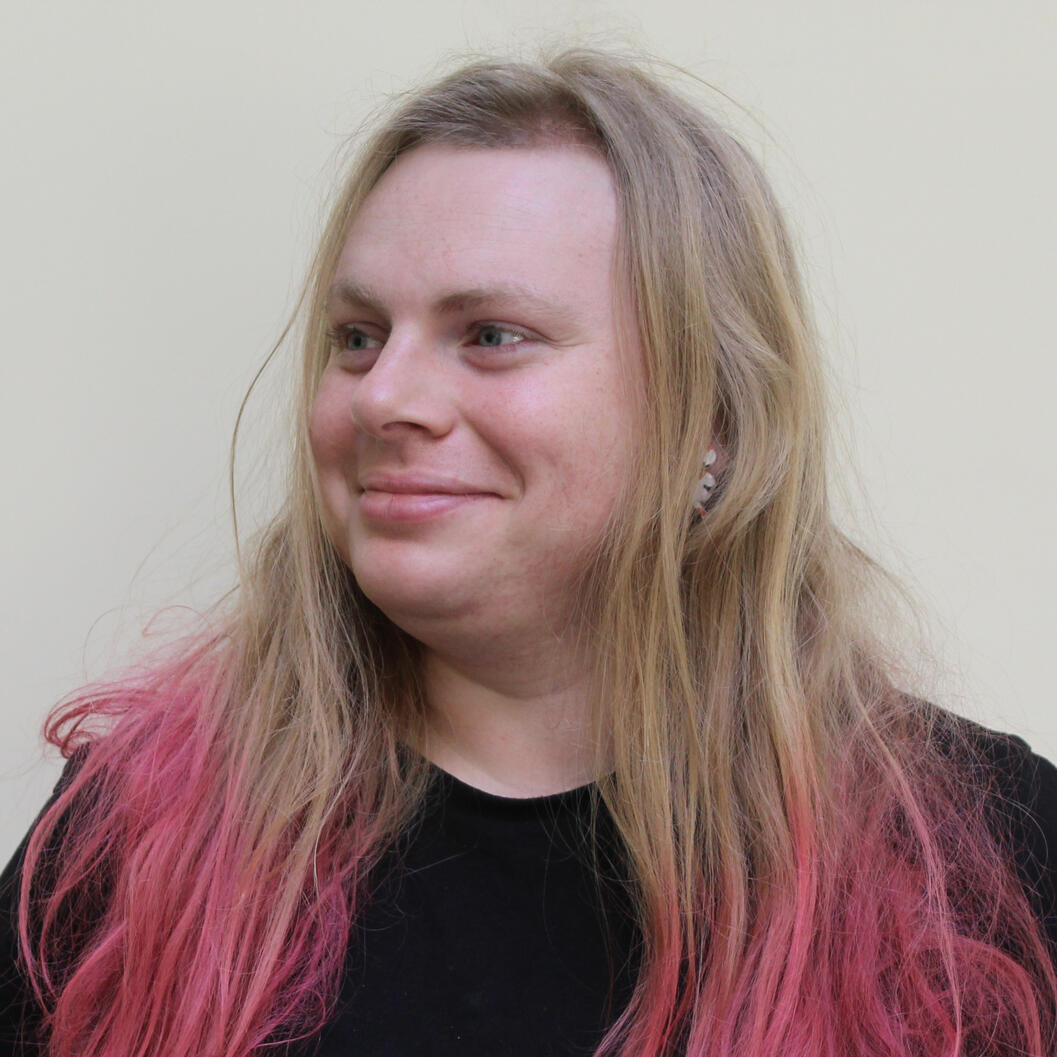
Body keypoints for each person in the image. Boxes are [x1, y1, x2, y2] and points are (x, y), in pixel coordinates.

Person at [2, 46, 1056, 1057]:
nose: (382, 397)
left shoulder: (978, 858)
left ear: (712, 418)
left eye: (491, 334)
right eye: (358, 336)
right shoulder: (131, 836)